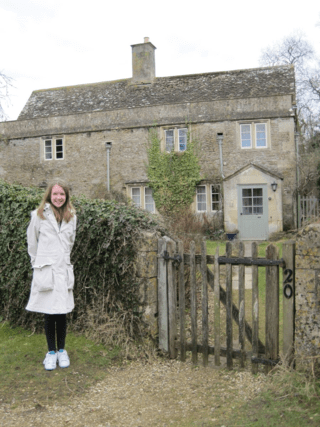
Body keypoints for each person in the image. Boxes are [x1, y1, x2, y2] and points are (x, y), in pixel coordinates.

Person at [26, 179, 77, 371]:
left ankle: (62, 350)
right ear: (49, 195)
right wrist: (37, 264)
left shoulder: (72, 216)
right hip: (46, 271)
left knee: (62, 313)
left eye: (62, 194)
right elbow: (32, 243)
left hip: (63, 270)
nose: (58, 197)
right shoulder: (38, 216)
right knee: (49, 313)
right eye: (55, 194)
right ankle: (51, 353)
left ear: (66, 197)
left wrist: (63, 261)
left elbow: (70, 243)